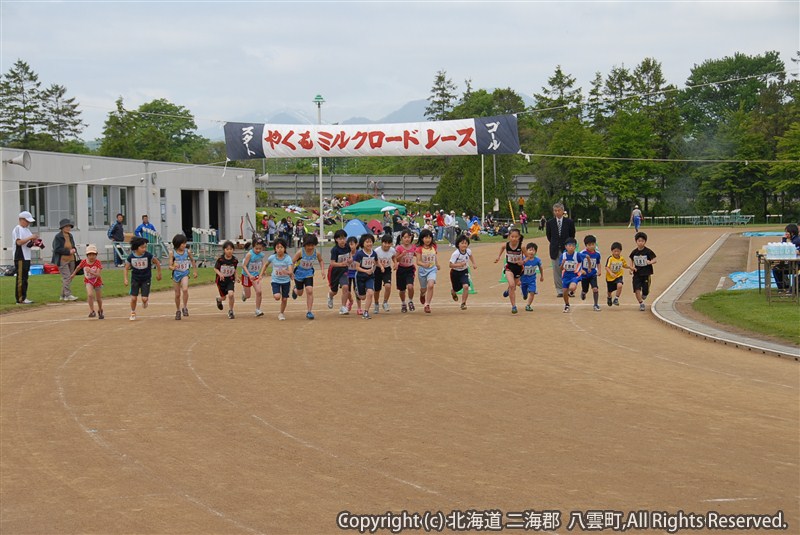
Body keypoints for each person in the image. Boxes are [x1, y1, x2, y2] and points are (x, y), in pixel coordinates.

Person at [124, 236, 162, 321]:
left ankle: (145, 302)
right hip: (135, 279)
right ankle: (133, 312)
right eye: (142, 247)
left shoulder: (148, 255)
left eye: (145, 247)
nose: (144, 249)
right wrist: (125, 279)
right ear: (136, 247)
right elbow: (126, 268)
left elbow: (157, 262)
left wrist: (159, 273)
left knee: (144, 298)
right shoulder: (131, 257)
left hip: (146, 279)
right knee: (134, 298)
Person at [545, 203, 576, 297]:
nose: (557, 212)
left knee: (569, 269)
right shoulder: (550, 222)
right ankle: (560, 290)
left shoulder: (569, 222)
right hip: (555, 249)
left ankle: (570, 289)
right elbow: (549, 236)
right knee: (556, 269)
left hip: (566, 249)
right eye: (555, 211)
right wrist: (555, 243)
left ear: (563, 211)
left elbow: (572, 235)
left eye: (559, 210)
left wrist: (568, 246)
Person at [291, 234, 325, 320]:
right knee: (300, 293)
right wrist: (291, 272)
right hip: (299, 273)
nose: (310, 247)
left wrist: (322, 271)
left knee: (309, 290)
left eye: (312, 245)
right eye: (308, 245)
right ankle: (295, 290)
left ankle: (309, 311)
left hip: (309, 273)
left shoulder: (316, 252)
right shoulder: (300, 252)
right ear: (304, 244)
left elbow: (321, 260)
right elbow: (292, 262)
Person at [69, 244, 104, 319]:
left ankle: (100, 309)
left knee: (98, 299)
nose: (92, 256)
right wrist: (73, 274)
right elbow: (78, 267)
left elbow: (98, 274)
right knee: (90, 295)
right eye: (90, 255)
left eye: (93, 255)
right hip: (88, 281)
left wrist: (91, 271)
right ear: (87, 255)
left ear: (96, 255)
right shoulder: (84, 262)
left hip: (97, 281)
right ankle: (92, 311)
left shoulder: (97, 262)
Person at [495, 228, 525, 314]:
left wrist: (523, 261)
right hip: (509, 267)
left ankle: (508, 291)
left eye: (516, 237)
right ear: (509, 237)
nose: (514, 238)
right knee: (512, 285)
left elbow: (527, 256)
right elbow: (502, 248)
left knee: (513, 286)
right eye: (512, 236)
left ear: (519, 237)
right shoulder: (506, 245)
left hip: (518, 268)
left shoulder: (521, 247)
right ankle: (514, 306)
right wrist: (498, 257)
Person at [264, 237, 294, 320]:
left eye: (281, 247)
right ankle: (277, 292)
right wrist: (262, 273)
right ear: (275, 249)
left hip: (285, 281)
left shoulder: (287, 258)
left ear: (284, 248)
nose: (280, 249)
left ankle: (281, 313)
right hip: (275, 280)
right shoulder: (272, 257)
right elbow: (266, 265)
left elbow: (290, 271)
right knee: (277, 297)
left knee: (284, 299)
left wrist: (287, 272)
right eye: (278, 247)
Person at [169, 233, 197, 320]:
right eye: (183, 243)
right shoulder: (172, 253)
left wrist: (195, 271)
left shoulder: (187, 252)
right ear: (177, 244)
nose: (184, 245)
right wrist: (173, 267)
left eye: (185, 243)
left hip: (185, 272)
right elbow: (170, 266)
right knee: (177, 294)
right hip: (176, 274)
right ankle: (178, 310)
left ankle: (185, 307)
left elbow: (192, 260)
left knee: (185, 289)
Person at [629, 231, 657, 311]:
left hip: (646, 273)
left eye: (642, 241)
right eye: (639, 241)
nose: (640, 243)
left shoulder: (648, 251)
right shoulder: (634, 252)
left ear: (645, 242)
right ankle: (641, 303)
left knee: (645, 290)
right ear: (636, 241)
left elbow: (655, 259)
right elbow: (631, 259)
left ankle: (645, 294)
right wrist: (631, 268)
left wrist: (650, 262)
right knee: (637, 289)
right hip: (637, 273)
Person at [52, 218, 78, 302]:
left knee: (69, 277)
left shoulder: (70, 236)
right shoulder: (58, 237)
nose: (68, 228)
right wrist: (68, 251)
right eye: (66, 226)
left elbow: (73, 245)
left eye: (69, 226)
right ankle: (68, 295)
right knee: (66, 277)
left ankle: (62, 295)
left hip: (72, 259)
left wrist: (74, 249)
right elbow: (56, 249)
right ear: (62, 227)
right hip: (62, 260)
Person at [353, 234, 378, 320]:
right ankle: (357, 292)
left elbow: (376, 262)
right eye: (367, 242)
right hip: (360, 276)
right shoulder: (359, 254)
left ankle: (366, 312)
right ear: (362, 243)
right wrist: (365, 271)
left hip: (370, 276)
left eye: (370, 242)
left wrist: (376, 268)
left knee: (370, 293)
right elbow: (356, 267)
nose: (369, 244)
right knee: (362, 297)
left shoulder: (374, 253)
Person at [327, 229, 352, 315]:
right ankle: (330, 296)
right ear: (336, 239)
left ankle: (343, 307)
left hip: (344, 271)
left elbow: (350, 255)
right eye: (340, 239)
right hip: (334, 271)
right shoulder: (335, 250)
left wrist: (350, 259)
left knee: (345, 287)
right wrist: (341, 264)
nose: (342, 240)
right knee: (334, 291)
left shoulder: (347, 247)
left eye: (344, 238)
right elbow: (332, 263)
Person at [449, 235, 477, 310]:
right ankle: (453, 291)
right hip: (455, 273)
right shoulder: (456, 254)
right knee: (456, 288)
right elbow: (450, 265)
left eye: (466, 243)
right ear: (458, 244)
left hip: (464, 271)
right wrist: (459, 264)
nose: (464, 245)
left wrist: (474, 263)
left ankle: (463, 303)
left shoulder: (468, 251)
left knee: (466, 286)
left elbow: (471, 256)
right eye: (462, 243)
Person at [241, 238, 267, 317]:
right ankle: (244, 294)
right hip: (246, 276)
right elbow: (244, 266)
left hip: (255, 275)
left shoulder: (261, 255)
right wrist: (249, 275)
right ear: (253, 247)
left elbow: (262, 263)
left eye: (260, 248)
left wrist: (262, 272)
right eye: (256, 248)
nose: (258, 250)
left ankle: (257, 309)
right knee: (248, 295)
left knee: (259, 291)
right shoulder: (250, 254)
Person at [415, 229, 440, 313]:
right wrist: (423, 264)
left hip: (432, 269)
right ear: (422, 238)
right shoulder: (419, 249)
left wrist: (437, 264)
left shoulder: (434, 246)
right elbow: (417, 261)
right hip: (422, 270)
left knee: (431, 285)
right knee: (423, 288)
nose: (428, 240)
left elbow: (434, 255)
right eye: (425, 238)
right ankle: (422, 294)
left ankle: (427, 304)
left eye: (429, 238)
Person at [214, 240, 238, 319]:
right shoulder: (220, 260)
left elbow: (235, 269)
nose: (229, 251)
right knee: (223, 297)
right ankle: (219, 299)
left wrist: (237, 277)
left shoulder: (234, 260)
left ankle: (231, 311)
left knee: (231, 294)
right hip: (221, 281)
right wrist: (220, 274)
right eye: (227, 249)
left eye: (231, 249)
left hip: (230, 279)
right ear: (224, 250)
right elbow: (215, 269)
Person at [394, 229, 417, 313]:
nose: (407, 239)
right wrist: (401, 255)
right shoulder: (399, 248)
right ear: (402, 238)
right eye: (405, 237)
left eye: (409, 237)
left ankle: (410, 301)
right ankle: (403, 303)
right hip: (401, 269)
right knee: (402, 289)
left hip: (410, 269)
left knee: (410, 286)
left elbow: (417, 254)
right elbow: (395, 259)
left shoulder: (413, 247)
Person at [772, 223, 800, 292]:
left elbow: (785, 250)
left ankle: (783, 288)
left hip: (796, 265)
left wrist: (784, 239)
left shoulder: (796, 241)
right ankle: (785, 286)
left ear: (792, 233)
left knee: (776, 269)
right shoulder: (795, 240)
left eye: (787, 232)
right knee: (779, 267)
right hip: (794, 264)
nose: (786, 234)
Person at [605, 241, 633, 307]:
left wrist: (630, 267)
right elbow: (606, 267)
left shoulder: (621, 258)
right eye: (615, 251)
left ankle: (616, 299)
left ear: (620, 251)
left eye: (618, 251)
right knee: (609, 291)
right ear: (612, 251)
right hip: (610, 277)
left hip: (618, 275)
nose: (616, 253)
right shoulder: (610, 258)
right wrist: (611, 273)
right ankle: (609, 297)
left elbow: (624, 265)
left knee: (620, 285)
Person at [578, 235, 602, 312]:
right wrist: (581, 271)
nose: (591, 246)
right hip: (584, 275)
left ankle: (596, 304)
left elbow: (598, 263)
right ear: (586, 246)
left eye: (593, 244)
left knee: (595, 289)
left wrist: (599, 270)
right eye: (589, 245)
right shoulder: (582, 253)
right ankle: (583, 292)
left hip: (593, 274)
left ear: (595, 244)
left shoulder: (597, 254)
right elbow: (577, 263)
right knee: (585, 289)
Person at [374, 234, 396, 313]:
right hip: (377, 270)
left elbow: (394, 256)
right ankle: (376, 303)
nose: (387, 245)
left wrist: (395, 263)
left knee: (388, 286)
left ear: (391, 244)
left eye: (389, 243)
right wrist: (380, 266)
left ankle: (385, 302)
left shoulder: (392, 250)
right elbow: (375, 261)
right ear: (381, 243)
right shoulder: (376, 251)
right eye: (385, 243)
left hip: (387, 269)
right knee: (377, 289)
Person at [560, 238, 582, 313]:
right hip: (566, 276)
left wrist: (583, 269)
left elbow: (583, 261)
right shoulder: (563, 256)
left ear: (575, 247)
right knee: (564, 292)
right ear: (566, 247)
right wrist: (563, 263)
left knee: (572, 287)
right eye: (569, 245)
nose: (571, 247)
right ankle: (567, 305)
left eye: (573, 245)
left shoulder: (577, 255)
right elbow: (561, 268)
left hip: (574, 275)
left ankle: (572, 291)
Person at [520, 243, 544, 312]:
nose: (531, 252)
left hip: (532, 279)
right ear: (526, 251)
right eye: (530, 250)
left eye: (533, 250)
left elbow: (541, 268)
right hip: (523, 279)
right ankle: (524, 294)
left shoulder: (537, 260)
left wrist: (542, 276)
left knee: (532, 292)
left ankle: (528, 305)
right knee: (525, 293)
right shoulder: (523, 260)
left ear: (536, 252)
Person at [346, 236, 362, 314]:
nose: (350, 246)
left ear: (356, 244)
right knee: (346, 290)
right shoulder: (346, 253)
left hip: (356, 273)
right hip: (347, 273)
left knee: (357, 291)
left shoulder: (359, 253)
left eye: (352, 244)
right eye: (349, 244)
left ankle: (359, 308)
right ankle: (350, 301)